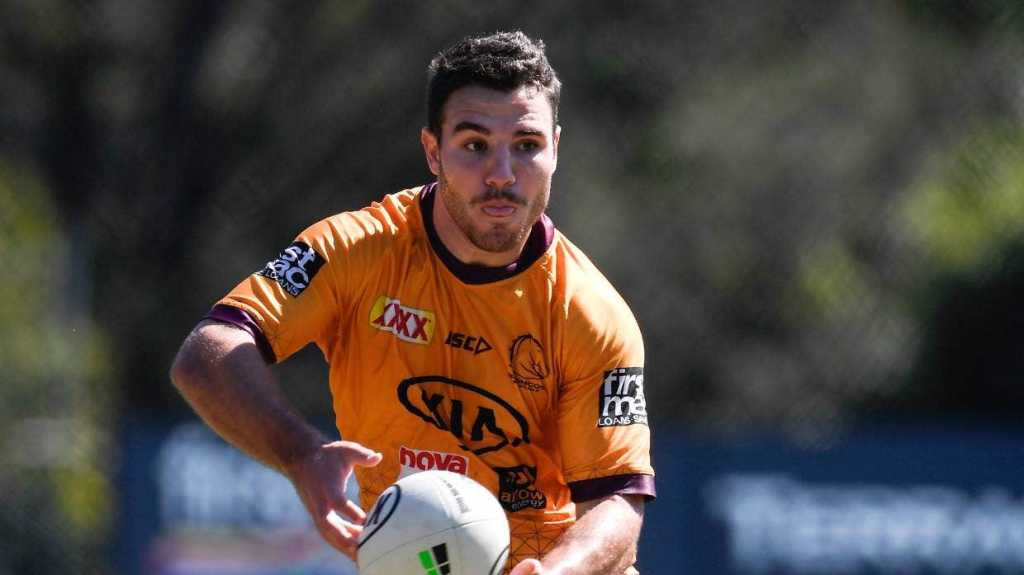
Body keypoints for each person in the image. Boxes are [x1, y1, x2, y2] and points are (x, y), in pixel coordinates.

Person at [170, 30, 654, 574]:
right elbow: (208, 353)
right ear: (433, 151)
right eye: (475, 145)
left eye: (526, 145)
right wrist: (301, 454)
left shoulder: (590, 314)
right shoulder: (355, 251)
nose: (502, 174)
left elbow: (616, 501)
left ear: (556, 149)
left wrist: (558, 572)